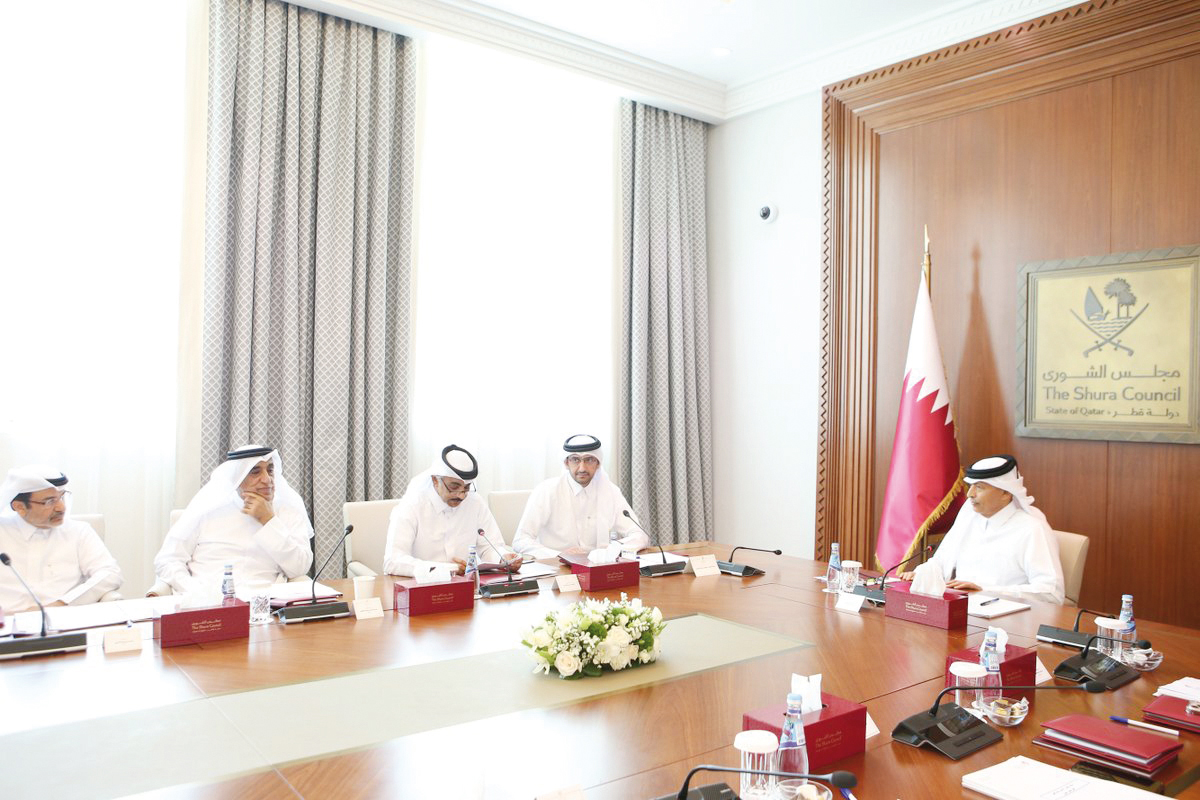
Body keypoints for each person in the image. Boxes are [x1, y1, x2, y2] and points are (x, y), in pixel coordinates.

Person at [902, 454, 1065, 604]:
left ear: (1005, 493)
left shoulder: (1032, 529)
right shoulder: (969, 519)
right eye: (971, 486)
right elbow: (941, 562)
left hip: (1009, 622)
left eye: (979, 487)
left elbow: (1051, 594)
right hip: (961, 612)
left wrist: (985, 590)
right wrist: (921, 575)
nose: (970, 494)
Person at [152, 445, 314, 594]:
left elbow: (299, 568)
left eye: (270, 470)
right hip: (206, 604)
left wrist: (268, 520)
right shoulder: (208, 508)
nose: (267, 479)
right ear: (237, 477)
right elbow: (168, 560)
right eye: (255, 472)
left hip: (265, 605)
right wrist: (194, 591)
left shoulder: (288, 510)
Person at [384, 444, 521, 577]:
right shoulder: (412, 506)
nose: (461, 495)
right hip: (422, 587)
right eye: (454, 487)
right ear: (435, 480)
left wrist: (503, 558)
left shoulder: (475, 502)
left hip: (467, 587)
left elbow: (489, 546)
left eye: (466, 488)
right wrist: (447, 569)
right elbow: (393, 561)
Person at [0, 465, 123, 611]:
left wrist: (62, 603)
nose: (61, 507)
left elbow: (110, 573)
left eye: (62, 497)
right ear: (20, 507)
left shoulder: (78, 531)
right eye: (49, 501)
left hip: (63, 621)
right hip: (6, 624)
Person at [512, 434, 650, 559]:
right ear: (566, 463)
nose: (582, 468)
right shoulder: (547, 491)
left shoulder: (611, 491)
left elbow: (639, 535)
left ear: (598, 464)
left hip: (599, 567)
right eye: (575, 460)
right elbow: (521, 540)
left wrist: (611, 550)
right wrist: (559, 555)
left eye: (589, 460)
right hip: (557, 568)